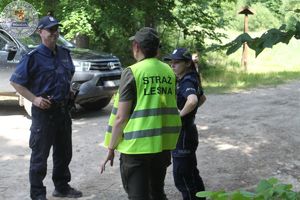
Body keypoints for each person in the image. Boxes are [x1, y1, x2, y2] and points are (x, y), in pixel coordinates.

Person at [100, 27, 182, 200]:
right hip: (162, 145)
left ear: (136, 46)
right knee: (157, 193)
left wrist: (111, 147)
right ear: (157, 48)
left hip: (136, 148)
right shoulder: (169, 72)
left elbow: (121, 118)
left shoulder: (132, 72)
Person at [10, 15, 82, 200]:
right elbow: (16, 82)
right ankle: (37, 194)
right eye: (50, 29)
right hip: (44, 114)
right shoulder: (32, 57)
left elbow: (69, 75)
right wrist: (34, 99)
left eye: (56, 28)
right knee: (40, 157)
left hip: (63, 111)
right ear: (40, 32)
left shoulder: (64, 54)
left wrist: (69, 91)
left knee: (64, 153)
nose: (54, 32)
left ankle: (62, 187)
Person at [167, 48, 206, 200]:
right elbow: (202, 99)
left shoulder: (187, 81)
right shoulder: (191, 77)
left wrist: (179, 116)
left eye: (177, 62)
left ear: (188, 63)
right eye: (171, 62)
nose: (172, 65)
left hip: (183, 135)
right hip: (189, 132)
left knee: (182, 176)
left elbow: (194, 100)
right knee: (191, 172)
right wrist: (189, 113)